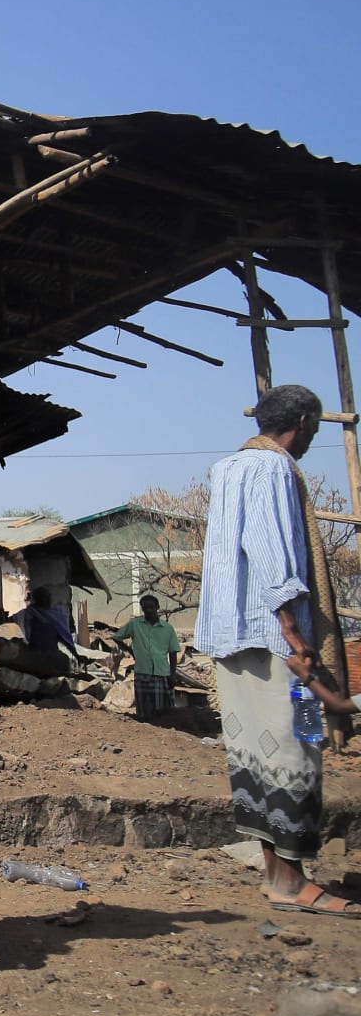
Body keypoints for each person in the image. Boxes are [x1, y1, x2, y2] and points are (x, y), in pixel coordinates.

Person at [196, 384, 361, 917]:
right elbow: (270, 551)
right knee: (297, 751)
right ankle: (292, 882)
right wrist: (293, 632)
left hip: (231, 637)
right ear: (305, 422)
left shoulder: (227, 468)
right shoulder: (273, 469)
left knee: (255, 756)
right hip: (276, 642)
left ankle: (276, 875)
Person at [114, 593, 181, 720]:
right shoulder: (135, 624)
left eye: (151, 607)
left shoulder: (167, 628)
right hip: (143, 672)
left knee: (165, 711)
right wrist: (130, 651)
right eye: (145, 608)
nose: (148, 610)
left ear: (157, 607)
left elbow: (173, 653)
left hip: (162, 673)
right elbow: (117, 637)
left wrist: (172, 675)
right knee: (144, 711)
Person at [13, 586, 75, 657]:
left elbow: (63, 637)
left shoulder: (56, 614)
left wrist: (77, 655)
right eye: (44, 597)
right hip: (35, 653)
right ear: (38, 599)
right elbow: (24, 633)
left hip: (52, 653)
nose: (48, 600)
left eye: (48, 597)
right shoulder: (30, 613)